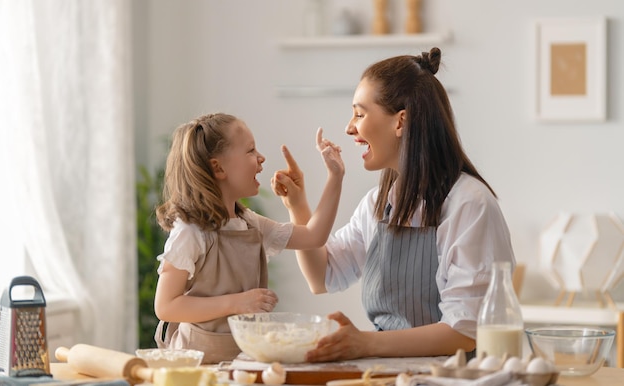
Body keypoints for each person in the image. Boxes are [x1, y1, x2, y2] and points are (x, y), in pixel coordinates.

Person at [271, 47, 515, 362]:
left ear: (401, 122)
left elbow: (465, 332)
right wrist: (298, 205)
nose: (349, 128)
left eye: (359, 114)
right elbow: (323, 275)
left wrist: (365, 344)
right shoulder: (378, 204)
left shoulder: (469, 204)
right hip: (392, 373)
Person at [153, 113, 344, 364]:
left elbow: (313, 236)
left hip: (242, 362)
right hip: (197, 367)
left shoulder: (250, 224)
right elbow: (166, 306)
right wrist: (237, 303)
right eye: (251, 150)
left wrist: (335, 176)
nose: (261, 158)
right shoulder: (190, 232)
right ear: (218, 168)